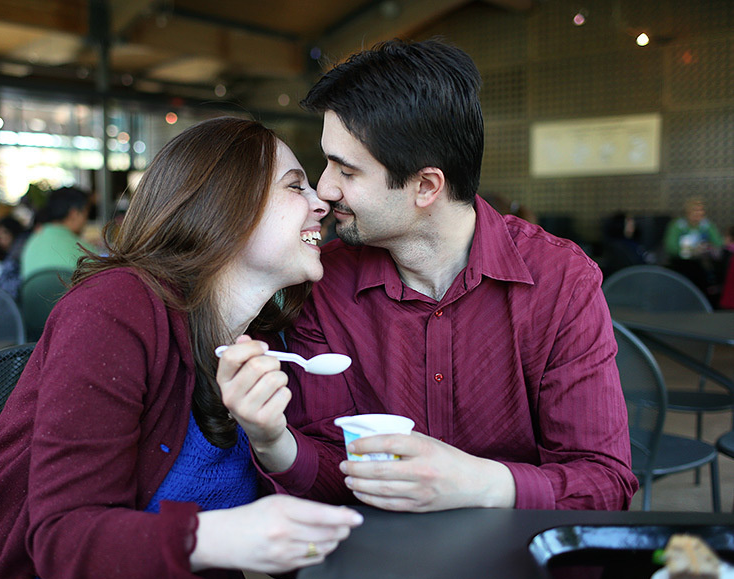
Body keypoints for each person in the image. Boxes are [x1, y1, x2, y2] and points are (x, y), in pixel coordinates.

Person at [0, 117, 362, 579]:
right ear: (227, 207)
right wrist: (225, 537)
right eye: (294, 186)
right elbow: (63, 541)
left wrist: (271, 440)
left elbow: (297, 544)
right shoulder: (115, 308)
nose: (321, 202)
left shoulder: (270, 344)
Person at [217, 38, 637, 512]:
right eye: (326, 163)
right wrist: (274, 442)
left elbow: (604, 485)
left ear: (426, 186)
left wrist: (481, 483)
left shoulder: (560, 280)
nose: (324, 189)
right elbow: (328, 478)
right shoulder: (323, 284)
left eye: (347, 171)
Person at [20, 186, 96, 280]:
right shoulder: (83, 249)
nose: (85, 221)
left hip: (32, 295)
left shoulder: (32, 242)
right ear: (74, 214)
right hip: (72, 294)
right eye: (86, 214)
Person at [663, 197, 724, 304]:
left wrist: (707, 246)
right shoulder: (678, 226)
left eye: (701, 211)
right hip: (680, 265)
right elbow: (671, 247)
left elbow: (718, 243)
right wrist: (690, 250)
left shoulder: (707, 226)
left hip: (701, 265)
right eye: (695, 210)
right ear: (687, 212)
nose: (698, 214)